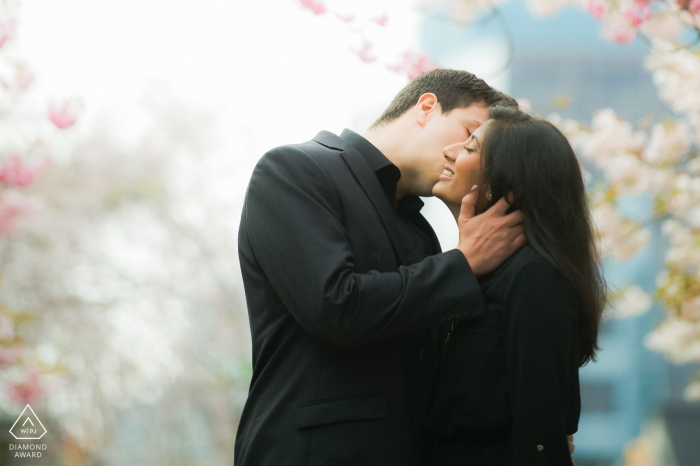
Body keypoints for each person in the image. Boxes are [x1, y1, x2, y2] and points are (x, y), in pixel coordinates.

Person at [234, 70, 528, 466]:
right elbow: (336, 307)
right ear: (427, 107)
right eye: (469, 133)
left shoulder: (422, 230)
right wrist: (464, 263)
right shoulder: (295, 169)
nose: (465, 156)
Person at [424, 106, 607, 465]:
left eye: (471, 147)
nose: (451, 150)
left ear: (505, 182)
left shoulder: (533, 277)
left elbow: (540, 433)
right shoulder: (479, 271)